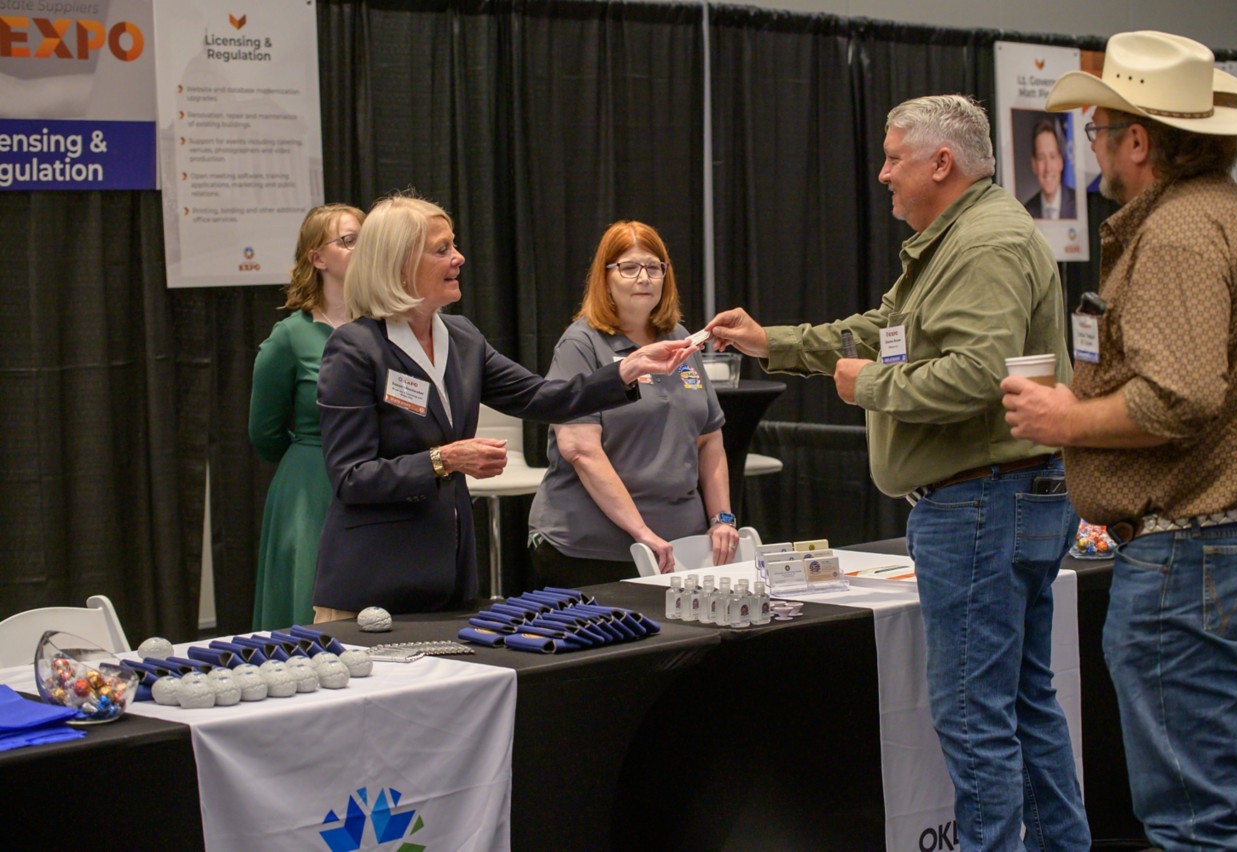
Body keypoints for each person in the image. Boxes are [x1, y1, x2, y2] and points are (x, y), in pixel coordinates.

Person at [706, 94, 1089, 849]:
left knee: (975, 715)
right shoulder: (958, 238)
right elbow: (883, 332)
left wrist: (869, 386)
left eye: (892, 158)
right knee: (1020, 702)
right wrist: (773, 342)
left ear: (941, 163)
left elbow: (976, 375)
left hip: (982, 503)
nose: (882, 174)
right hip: (997, 499)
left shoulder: (983, 245)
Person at [1002, 30, 1237, 849]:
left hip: (1185, 559)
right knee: (1232, 803)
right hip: (1228, 545)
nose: (1091, 146)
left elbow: (1178, 395)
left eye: (1097, 130)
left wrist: (1066, 419)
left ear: (1138, 141)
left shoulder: (1178, 235)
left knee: (1197, 820)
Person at [312, 194, 695, 619]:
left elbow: (541, 397)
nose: (459, 258)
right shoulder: (355, 349)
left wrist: (626, 370)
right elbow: (351, 478)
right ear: (399, 264)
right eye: (441, 249)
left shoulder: (461, 337)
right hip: (371, 582)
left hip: (446, 578)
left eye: (454, 245)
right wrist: (443, 460)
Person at [527, 221, 738, 583]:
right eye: (629, 267)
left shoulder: (680, 338)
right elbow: (581, 451)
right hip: (592, 549)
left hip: (681, 547)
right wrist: (642, 533)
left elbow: (709, 439)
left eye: (654, 267)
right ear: (605, 277)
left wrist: (722, 519)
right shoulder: (581, 344)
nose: (644, 278)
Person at [248, 203, 364, 630]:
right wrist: (310, 456)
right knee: (308, 609)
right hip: (312, 486)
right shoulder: (291, 337)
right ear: (317, 258)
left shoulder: (387, 326)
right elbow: (265, 433)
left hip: (377, 478)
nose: (362, 248)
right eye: (349, 241)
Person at [1023, 117, 1077, 219]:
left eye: (1052, 156)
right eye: (1041, 158)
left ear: (1061, 162)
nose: (1048, 168)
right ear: (1034, 165)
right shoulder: (1025, 213)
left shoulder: (1080, 205)